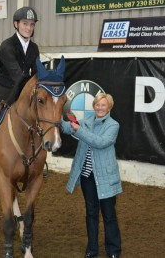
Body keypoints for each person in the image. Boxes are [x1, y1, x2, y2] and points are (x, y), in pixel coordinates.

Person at [0, 6, 40, 176]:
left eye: (32, 24)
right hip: (2, 91)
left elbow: (37, 72)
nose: (29, 27)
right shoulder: (7, 46)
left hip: (23, 92)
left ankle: (36, 159)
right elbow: (18, 75)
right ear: (16, 24)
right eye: (25, 23)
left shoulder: (34, 48)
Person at [61, 93, 122, 258]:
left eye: (103, 105)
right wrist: (56, 114)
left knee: (109, 214)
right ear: (94, 106)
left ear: (109, 107)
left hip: (106, 177)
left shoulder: (113, 125)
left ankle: (114, 250)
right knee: (91, 213)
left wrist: (79, 130)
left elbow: (100, 142)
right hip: (88, 177)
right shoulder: (86, 121)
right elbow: (67, 127)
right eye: (97, 105)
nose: (100, 108)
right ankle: (92, 249)